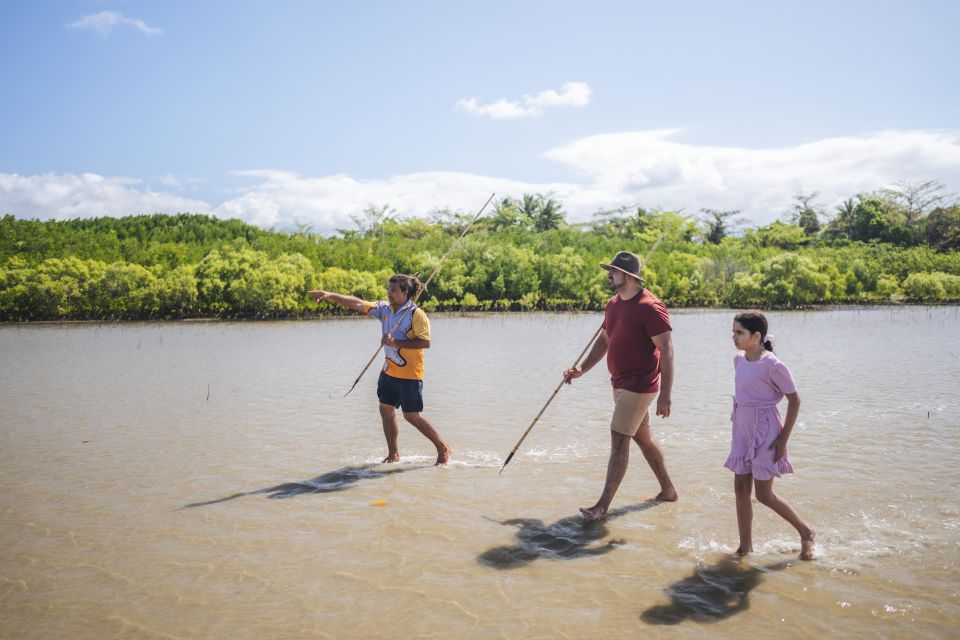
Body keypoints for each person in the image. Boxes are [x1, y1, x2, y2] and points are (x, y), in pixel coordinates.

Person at [563, 251, 678, 520]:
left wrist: (666, 395)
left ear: (628, 276)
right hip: (620, 383)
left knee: (619, 440)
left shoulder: (650, 307)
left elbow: (667, 350)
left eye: (613, 271)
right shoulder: (613, 304)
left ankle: (602, 506)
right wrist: (582, 369)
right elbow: (604, 340)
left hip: (640, 385)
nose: (609, 275)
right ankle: (668, 490)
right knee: (643, 439)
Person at [308, 275, 452, 465]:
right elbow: (358, 304)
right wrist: (329, 295)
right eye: (388, 289)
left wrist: (395, 342)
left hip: (410, 375)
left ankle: (442, 447)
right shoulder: (384, 309)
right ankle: (393, 454)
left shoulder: (416, 314)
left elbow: (425, 343)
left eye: (393, 290)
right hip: (388, 373)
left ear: (405, 292)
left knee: (411, 416)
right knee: (385, 410)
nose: (389, 293)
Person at [726, 311, 815, 560]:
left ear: (756, 336)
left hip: (766, 430)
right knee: (740, 488)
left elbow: (794, 400)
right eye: (733, 332)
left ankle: (806, 530)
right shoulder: (738, 360)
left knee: (763, 495)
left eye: (739, 332)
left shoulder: (773, 364)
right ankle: (746, 546)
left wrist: (783, 439)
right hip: (742, 427)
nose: (734, 337)